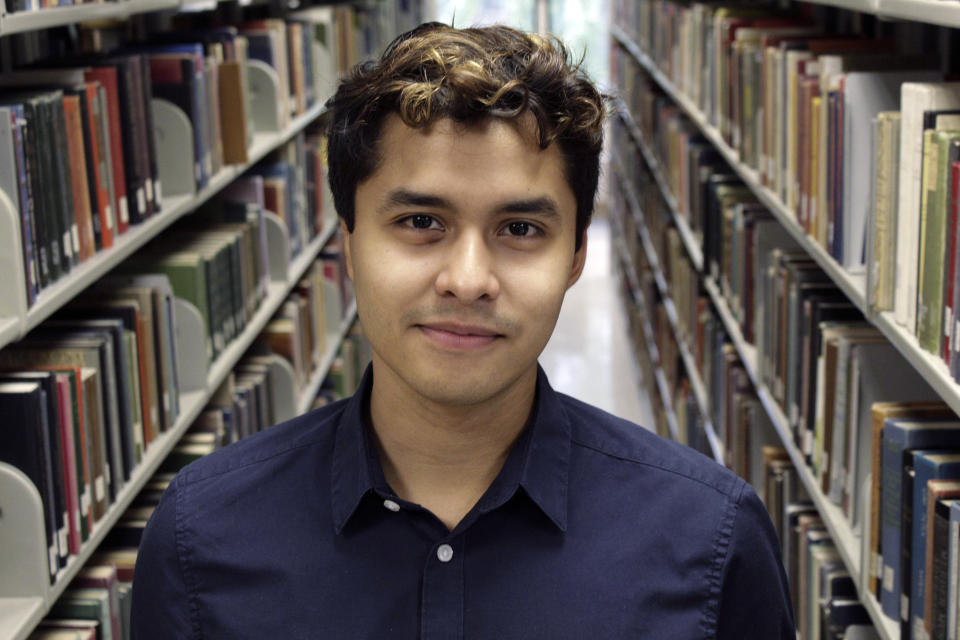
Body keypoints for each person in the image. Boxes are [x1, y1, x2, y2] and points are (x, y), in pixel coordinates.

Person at [131, 22, 794, 639]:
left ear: (574, 260)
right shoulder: (199, 541)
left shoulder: (712, 543)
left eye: (520, 230)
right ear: (349, 245)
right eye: (422, 222)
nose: (468, 279)